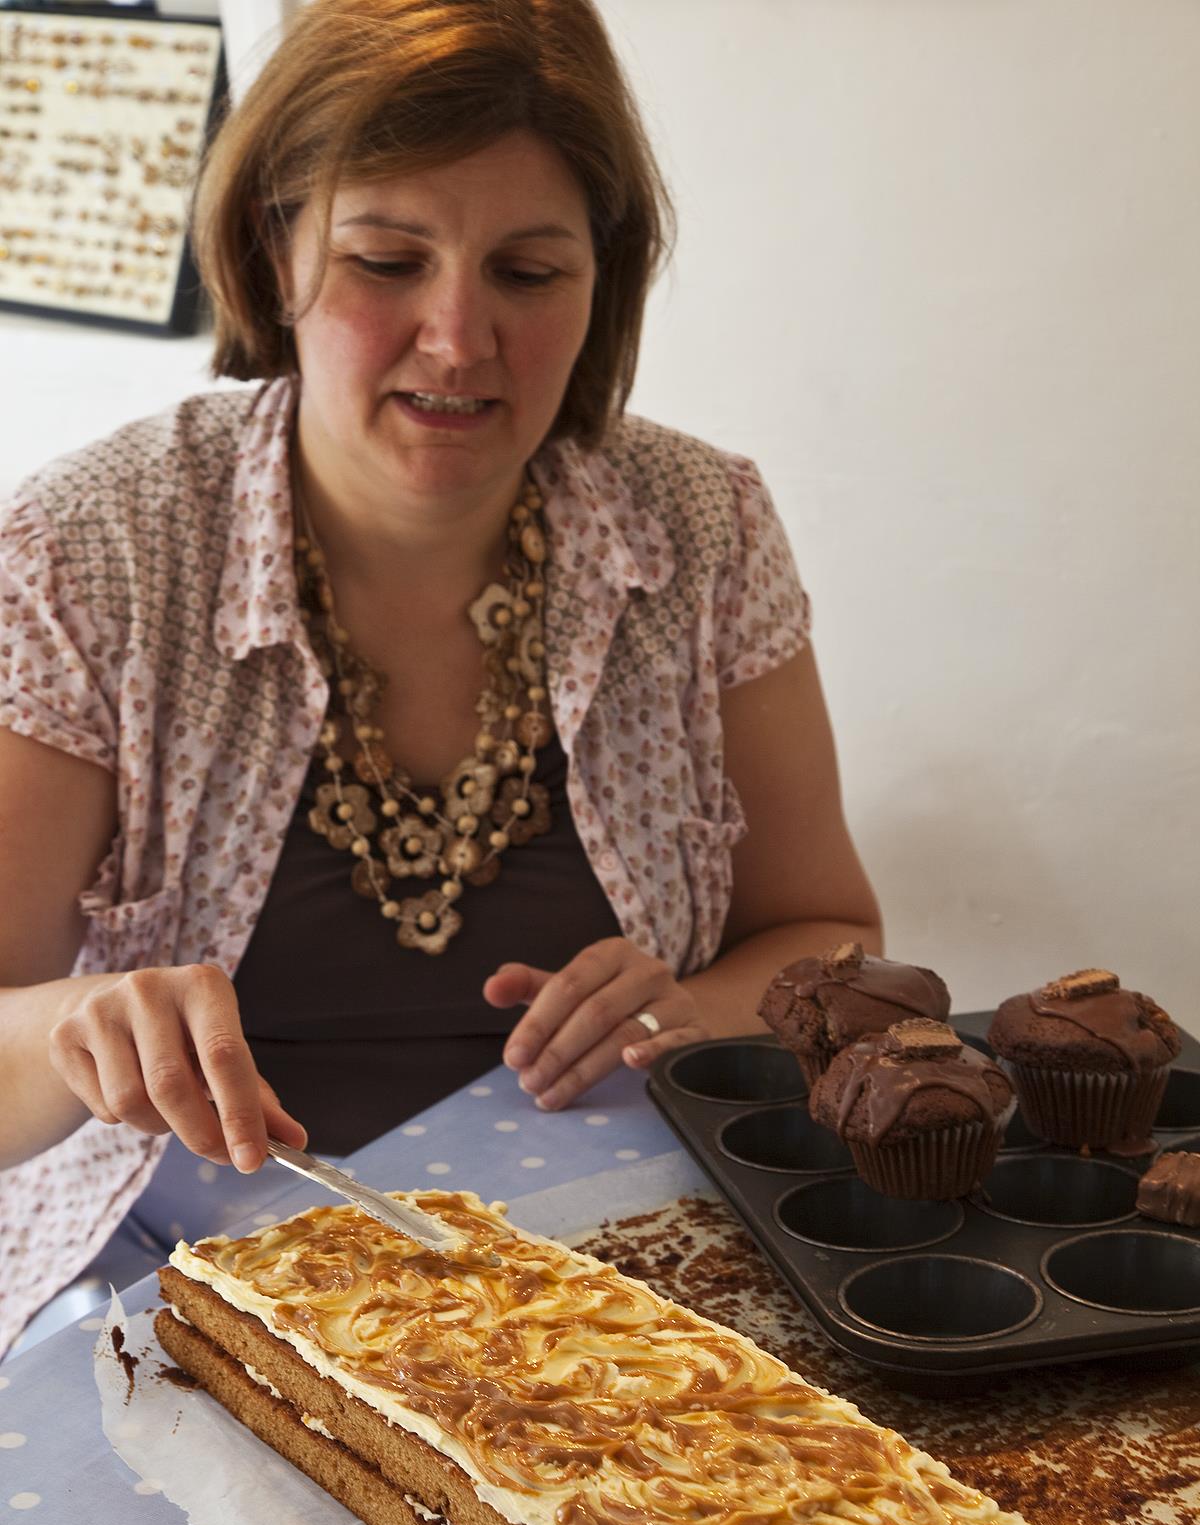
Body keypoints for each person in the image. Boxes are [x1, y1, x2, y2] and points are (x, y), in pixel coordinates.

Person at [0, 0, 881, 1352]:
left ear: (603, 283)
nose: (460, 339)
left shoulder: (704, 526)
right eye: (386, 261)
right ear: (274, 253)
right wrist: (80, 1027)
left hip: (625, 1269)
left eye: (528, 273)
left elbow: (833, 937)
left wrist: (693, 1008)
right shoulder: (93, 547)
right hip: (192, 1276)